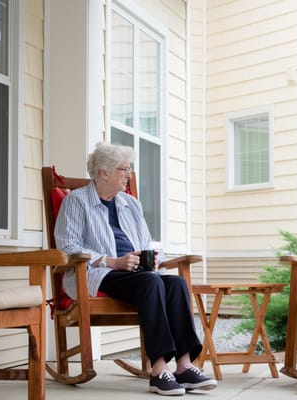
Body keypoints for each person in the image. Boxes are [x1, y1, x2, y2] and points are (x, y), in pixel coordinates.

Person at [54, 142, 217, 396]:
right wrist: (112, 261)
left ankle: (184, 366)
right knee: (151, 282)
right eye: (124, 169)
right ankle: (159, 370)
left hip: (136, 273)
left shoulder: (131, 204)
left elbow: (145, 243)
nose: (128, 175)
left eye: (129, 169)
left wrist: (153, 259)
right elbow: (67, 246)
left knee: (175, 283)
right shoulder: (76, 202)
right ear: (104, 172)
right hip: (97, 273)